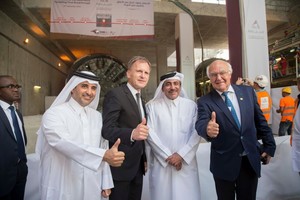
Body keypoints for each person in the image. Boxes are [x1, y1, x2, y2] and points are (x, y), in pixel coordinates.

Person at [35, 71, 125, 200]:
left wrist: (106, 182)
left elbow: (104, 147)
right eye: (84, 86)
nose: (89, 92)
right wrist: (103, 155)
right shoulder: (54, 114)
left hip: (92, 182)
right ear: (72, 89)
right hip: (63, 181)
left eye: (93, 88)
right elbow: (63, 142)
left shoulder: (97, 116)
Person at [196, 60, 276, 200]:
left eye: (222, 73)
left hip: (249, 160)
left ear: (230, 73)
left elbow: (260, 121)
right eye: (214, 74)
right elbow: (201, 123)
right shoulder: (205, 101)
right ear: (209, 78)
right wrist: (207, 129)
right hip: (223, 163)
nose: (218, 78)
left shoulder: (248, 92)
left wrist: (269, 146)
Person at [145, 71, 201, 200]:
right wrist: (167, 156)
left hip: (185, 162)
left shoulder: (191, 106)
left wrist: (181, 155)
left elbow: (196, 132)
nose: (172, 87)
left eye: (176, 84)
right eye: (168, 84)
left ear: (180, 86)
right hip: (162, 163)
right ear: (162, 87)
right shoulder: (152, 107)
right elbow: (149, 133)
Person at [102, 56, 151, 200]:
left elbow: (141, 132)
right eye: (139, 71)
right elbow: (107, 130)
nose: (143, 75)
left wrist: (144, 158)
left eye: (146, 73)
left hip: (137, 167)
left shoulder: (140, 98)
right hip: (120, 168)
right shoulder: (115, 95)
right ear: (128, 74)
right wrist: (131, 134)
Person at [0, 75, 28, 200]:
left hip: (20, 170)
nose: (16, 89)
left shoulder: (17, 114)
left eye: (17, 86)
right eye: (10, 86)